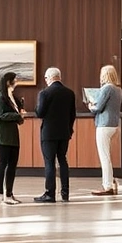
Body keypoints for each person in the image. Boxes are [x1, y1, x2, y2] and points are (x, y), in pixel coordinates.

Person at [33, 67, 76, 203]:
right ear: (59, 77)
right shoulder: (69, 93)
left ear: (49, 78)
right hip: (64, 133)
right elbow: (72, 115)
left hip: (49, 133)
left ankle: (50, 194)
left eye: (46, 78)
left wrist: (36, 107)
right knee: (63, 160)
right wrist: (69, 129)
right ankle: (65, 193)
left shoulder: (45, 93)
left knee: (49, 162)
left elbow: (40, 113)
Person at [0, 72, 25, 205]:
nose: (16, 82)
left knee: (12, 165)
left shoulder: (12, 97)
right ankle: (0, 194)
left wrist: (19, 117)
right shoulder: (0, 97)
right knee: (3, 163)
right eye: (14, 80)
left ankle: (9, 193)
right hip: (2, 135)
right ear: (8, 82)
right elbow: (0, 115)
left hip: (12, 135)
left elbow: (15, 115)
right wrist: (17, 116)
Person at [88, 65, 122, 196]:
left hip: (104, 125)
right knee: (108, 156)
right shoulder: (118, 89)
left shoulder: (106, 88)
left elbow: (98, 107)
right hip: (114, 124)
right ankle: (112, 182)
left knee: (105, 157)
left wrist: (91, 106)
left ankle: (107, 186)